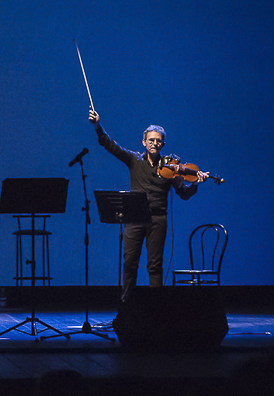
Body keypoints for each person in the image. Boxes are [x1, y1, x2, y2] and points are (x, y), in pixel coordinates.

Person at [89, 109, 208, 300]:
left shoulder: (171, 167)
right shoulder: (134, 160)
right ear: (144, 142)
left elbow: (183, 194)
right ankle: (126, 305)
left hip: (158, 219)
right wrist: (97, 126)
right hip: (134, 217)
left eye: (158, 140)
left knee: (154, 265)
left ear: (163, 144)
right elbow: (111, 146)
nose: (154, 143)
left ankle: (156, 308)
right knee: (129, 263)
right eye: (151, 140)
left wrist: (195, 183)